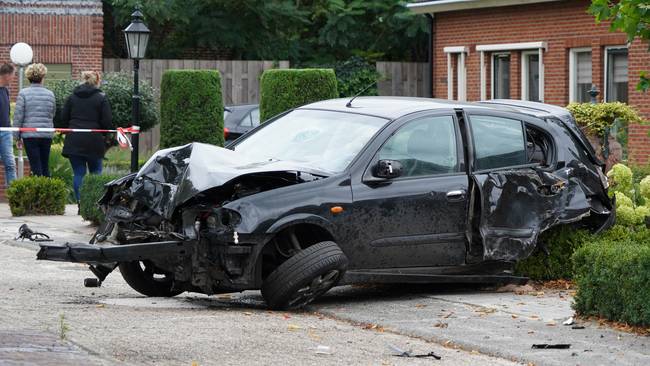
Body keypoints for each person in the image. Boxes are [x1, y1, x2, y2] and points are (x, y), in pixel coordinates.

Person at [61, 71, 113, 202]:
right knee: (96, 173)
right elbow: (107, 121)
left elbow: (63, 119)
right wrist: (105, 136)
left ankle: (80, 202)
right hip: (94, 140)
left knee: (79, 173)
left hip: (74, 139)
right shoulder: (102, 97)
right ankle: (95, 203)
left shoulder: (71, 97)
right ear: (97, 82)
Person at [13, 63, 56, 177]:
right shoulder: (50, 94)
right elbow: (52, 114)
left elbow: (18, 116)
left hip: (30, 135)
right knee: (44, 165)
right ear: (42, 77)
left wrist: (17, 137)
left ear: (28, 77)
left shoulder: (23, 93)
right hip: (46, 134)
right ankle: (48, 191)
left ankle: (37, 192)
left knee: (35, 166)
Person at [0, 63, 17, 187]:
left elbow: (7, 112)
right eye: (12, 75)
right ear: (6, 75)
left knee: (10, 163)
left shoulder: (5, 91)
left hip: (6, 132)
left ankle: (14, 195)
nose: (13, 78)